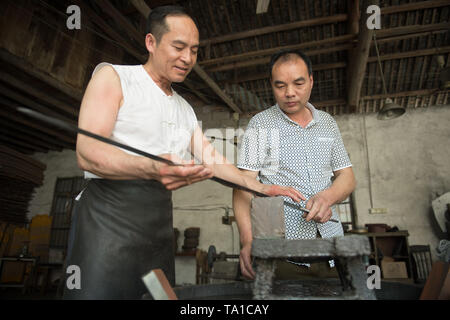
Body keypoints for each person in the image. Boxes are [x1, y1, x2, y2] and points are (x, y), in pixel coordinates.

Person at [64, 6, 303, 300]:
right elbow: (88, 153)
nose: (188, 58)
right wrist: (153, 167)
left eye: (194, 50)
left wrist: (259, 186)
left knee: (157, 297)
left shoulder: (184, 109)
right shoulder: (114, 77)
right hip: (107, 216)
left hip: (158, 224)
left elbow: (211, 160)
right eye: (178, 47)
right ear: (151, 43)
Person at [233, 49, 356, 280]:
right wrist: (247, 242)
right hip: (281, 251)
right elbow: (242, 187)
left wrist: (326, 198)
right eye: (280, 86)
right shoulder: (260, 124)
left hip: (331, 246)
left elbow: (347, 177)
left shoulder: (328, 123)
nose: (289, 93)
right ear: (271, 85)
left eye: (298, 83)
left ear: (311, 80)